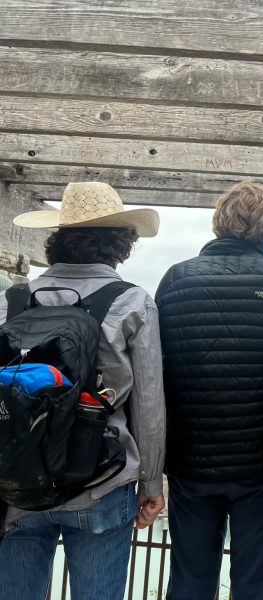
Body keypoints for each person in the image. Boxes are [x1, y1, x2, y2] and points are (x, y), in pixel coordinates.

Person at [156, 181, 263, 600]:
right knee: (256, 580)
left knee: (190, 579)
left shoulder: (176, 278)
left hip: (190, 456)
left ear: (218, 226)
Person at [0, 181, 166, 600]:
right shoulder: (130, 301)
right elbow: (149, 405)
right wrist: (150, 485)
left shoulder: (13, 300)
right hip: (100, 480)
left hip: (18, 483)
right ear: (122, 243)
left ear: (58, 239)